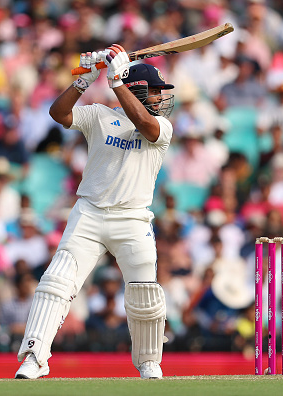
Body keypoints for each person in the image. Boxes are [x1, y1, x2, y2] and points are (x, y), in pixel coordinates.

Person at [14, 45, 175, 380]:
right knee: (56, 283)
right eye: (155, 92)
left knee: (144, 293)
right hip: (89, 213)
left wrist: (115, 81)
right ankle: (34, 356)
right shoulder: (100, 115)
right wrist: (81, 82)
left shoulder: (161, 127)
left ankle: (148, 362)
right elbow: (58, 115)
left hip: (133, 218)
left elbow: (144, 124)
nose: (160, 99)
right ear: (137, 89)